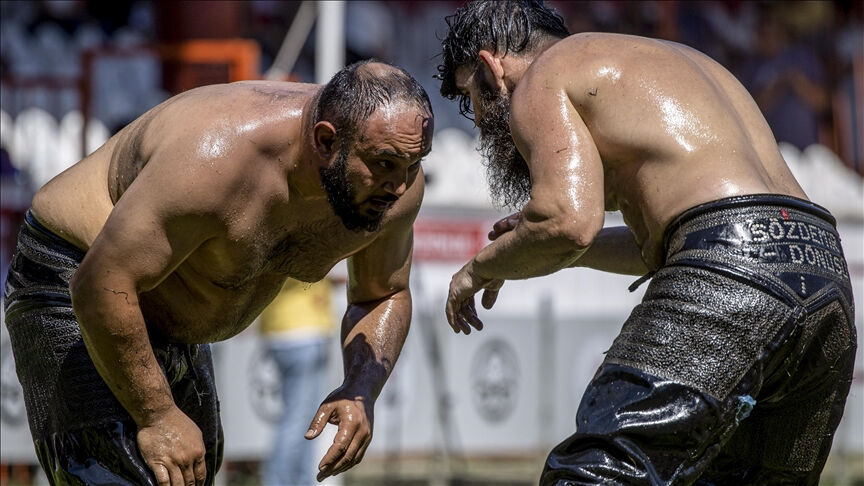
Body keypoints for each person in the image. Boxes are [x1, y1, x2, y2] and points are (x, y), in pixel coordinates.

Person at [436, 1, 855, 484]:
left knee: (596, 474)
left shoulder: (543, 76)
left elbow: (568, 222)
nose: (481, 125)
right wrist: (545, 250)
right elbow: (665, 243)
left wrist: (477, 269)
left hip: (730, 265)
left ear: (492, 67)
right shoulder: (661, 66)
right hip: (823, 271)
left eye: (473, 99)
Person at [3, 59, 433, 486]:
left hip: (170, 318)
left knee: (187, 475)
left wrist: (361, 388)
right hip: (75, 276)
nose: (400, 186)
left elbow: (382, 294)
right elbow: (102, 284)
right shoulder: (216, 155)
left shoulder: (397, 184)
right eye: (384, 164)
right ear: (325, 141)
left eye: (414, 164)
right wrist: (159, 415)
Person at [258, 277, 337, 486]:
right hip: (303, 333)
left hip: (282, 331)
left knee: (306, 422)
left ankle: (302, 481)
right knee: (298, 422)